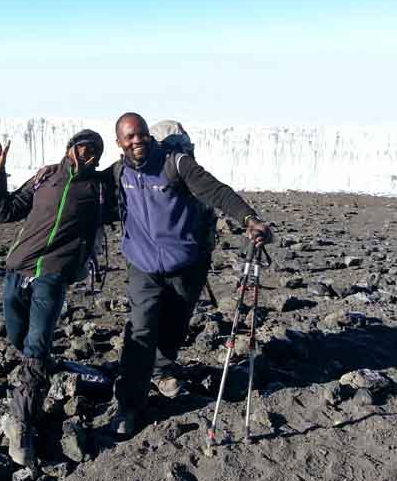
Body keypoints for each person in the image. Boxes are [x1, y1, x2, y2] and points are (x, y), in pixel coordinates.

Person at [102, 112, 273, 437]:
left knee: (174, 326)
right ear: (120, 143)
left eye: (141, 134)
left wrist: (249, 218)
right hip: (143, 265)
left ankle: (164, 369)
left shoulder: (175, 164)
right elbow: (88, 197)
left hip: (187, 264)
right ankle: (129, 405)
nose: (137, 141)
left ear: (148, 136)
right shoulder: (117, 172)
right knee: (140, 331)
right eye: (129, 137)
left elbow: (216, 192)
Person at [0, 129, 111, 465]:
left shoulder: (101, 188)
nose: (91, 155)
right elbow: (6, 211)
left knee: (36, 346)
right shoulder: (45, 178)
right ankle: (44, 367)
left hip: (52, 276)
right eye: (86, 147)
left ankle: (22, 423)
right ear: (71, 148)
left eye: (97, 152)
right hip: (18, 270)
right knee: (19, 337)